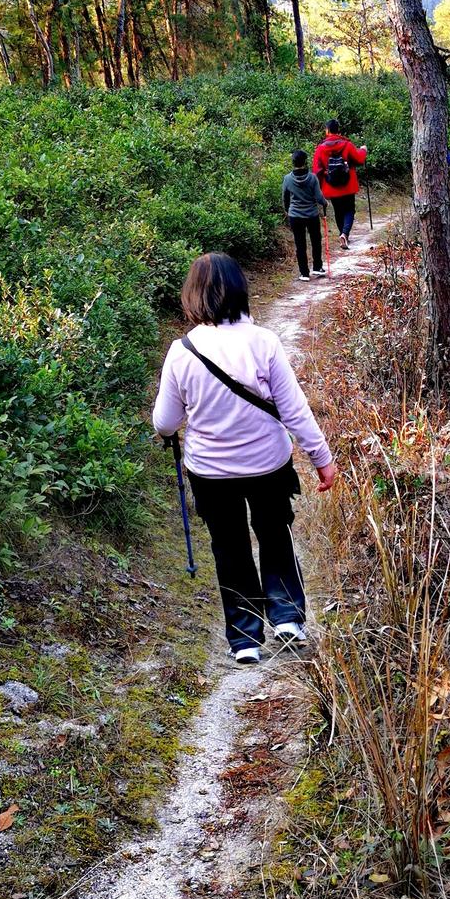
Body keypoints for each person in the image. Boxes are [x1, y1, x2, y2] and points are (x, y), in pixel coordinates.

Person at [153, 253, 337, 664]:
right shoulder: (263, 342)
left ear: (192, 295)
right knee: (275, 534)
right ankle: (288, 619)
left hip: (211, 473)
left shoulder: (181, 352)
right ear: (240, 290)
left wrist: (178, 425)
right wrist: (321, 458)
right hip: (268, 465)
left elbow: (166, 421)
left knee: (229, 547)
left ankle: (245, 639)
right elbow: (294, 410)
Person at [313, 119, 368, 249]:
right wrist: (363, 150)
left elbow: (316, 170)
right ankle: (345, 234)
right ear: (338, 130)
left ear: (327, 131)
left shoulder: (321, 148)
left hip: (331, 186)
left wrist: (318, 189)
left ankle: (343, 235)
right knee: (349, 209)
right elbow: (359, 159)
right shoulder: (347, 145)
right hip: (348, 184)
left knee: (338, 211)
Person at [282, 150, 328, 281]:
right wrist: (325, 203)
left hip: (295, 215)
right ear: (305, 161)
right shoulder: (312, 178)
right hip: (312, 214)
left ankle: (304, 273)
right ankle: (317, 267)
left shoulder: (287, 179)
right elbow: (319, 198)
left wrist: (287, 210)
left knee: (300, 243)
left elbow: (285, 198)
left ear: (293, 162)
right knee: (315, 241)